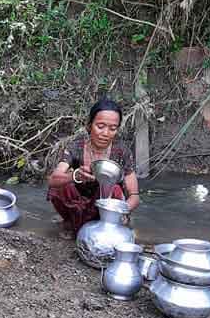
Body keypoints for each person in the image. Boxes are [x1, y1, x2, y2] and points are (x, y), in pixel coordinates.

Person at [47, 97, 140, 236]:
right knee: (60, 186)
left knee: (114, 188)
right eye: (100, 126)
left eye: (112, 128)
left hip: (106, 213)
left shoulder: (122, 152)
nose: (105, 133)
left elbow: (134, 195)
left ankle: (105, 228)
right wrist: (75, 175)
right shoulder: (76, 146)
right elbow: (53, 180)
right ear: (89, 125)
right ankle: (71, 223)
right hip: (77, 206)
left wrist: (122, 211)